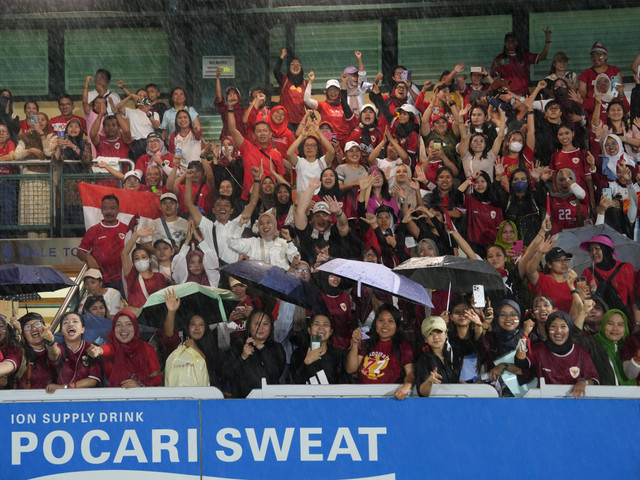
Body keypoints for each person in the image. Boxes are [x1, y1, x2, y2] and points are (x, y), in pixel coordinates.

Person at [515, 311, 599, 398]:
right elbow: (520, 362)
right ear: (547, 329)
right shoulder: (540, 349)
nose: (558, 331)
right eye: (553, 326)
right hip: (546, 402)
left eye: (563, 326)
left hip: (574, 403)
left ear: (570, 328)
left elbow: (594, 379)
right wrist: (525, 334)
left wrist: (583, 382)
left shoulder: (580, 351)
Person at [346, 304, 415, 400]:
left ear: (397, 325)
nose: (385, 325)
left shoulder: (403, 346)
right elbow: (351, 369)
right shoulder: (366, 342)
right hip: (364, 398)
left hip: (390, 398)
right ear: (375, 322)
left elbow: (410, 373)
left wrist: (407, 386)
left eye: (390, 321)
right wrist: (354, 343)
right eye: (381, 320)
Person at [162, 288, 224, 386]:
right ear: (188, 327)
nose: (197, 328)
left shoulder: (213, 347)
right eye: (193, 324)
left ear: (206, 328)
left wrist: (195, 348)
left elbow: (212, 370)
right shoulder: (180, 344)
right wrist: (171, 311)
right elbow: (168, 335)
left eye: (201, 324)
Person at [87, 310, 162, 388]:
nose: (123, 328)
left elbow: (157, 378)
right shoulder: (113, 348)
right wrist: (98, 350)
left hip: (141, 398)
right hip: (115, 397)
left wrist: (140, 385)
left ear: (135, 327)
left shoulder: (147, 348)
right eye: (118, 324)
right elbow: (107, 350)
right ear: (113, 329)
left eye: (128, 324)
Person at [225, 310, 286, 398]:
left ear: (271, 327)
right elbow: (227, 374)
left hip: (269, 400)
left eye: (265, 324)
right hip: (242, 401)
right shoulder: (238, 346)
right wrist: (242, 357)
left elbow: (276, 372)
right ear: (249, 325)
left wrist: (261, 347)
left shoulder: (277, 348)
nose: (260, 328)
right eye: (256, 323)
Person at [77, 194, 128, 292]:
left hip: (123, 280)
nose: (109, 212)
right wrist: (88, 257)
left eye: (112, 208)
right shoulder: (93, 230)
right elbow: (80, 252)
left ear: (118, 210)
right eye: (106, 208)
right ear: (101, 210)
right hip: (100, 281)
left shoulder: (126, 229)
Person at [44, 312, 101, 392]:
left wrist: (66, 387)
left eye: (75, 321)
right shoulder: (59, 348)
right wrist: (50, 343)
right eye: (66, 322)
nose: (70, 324)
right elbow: (54, 354)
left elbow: (93, 380)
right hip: (61, 398)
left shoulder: (91, 348)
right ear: (62, 332)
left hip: (87, 398)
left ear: (83, 329)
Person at [579, 235, 636, 314]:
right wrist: (592, 293)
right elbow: (581, 301)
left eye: (597, 248)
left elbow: (634, 299)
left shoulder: (626, 268)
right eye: (591, 249)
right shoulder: (588, 273)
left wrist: (637, 323)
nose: (593, 253)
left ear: (606, 249)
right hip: (598, 320)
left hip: (622, 317)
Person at [490, 30, 552, 95]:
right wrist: (495, 66)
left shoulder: (524, 56)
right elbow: (493, 75)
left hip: (523, 93)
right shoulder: (500, 58)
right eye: (508, 41)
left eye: (513, 40)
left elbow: (542, 57)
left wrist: (547, 42)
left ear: (517, 42)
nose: (511, 42)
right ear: (505, 43)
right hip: (507, 93)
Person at [290, 314, 346, 385]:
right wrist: (307, 362)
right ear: (309, 330)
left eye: (325, 324)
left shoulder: (338, 354)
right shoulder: (298, 354)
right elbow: (296, 381)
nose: (321, 328)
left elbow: (342, 384)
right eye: (316, 324)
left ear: (331, 331)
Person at [415, 316, 464, 397]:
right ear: (425, 339)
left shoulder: (457, 352)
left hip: (461, 401)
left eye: (439, 332)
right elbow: (422, 392)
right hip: (437, 404)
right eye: (430, 333)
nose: (435, 337)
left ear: (446, 334)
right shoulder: (423, 360)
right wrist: (429, 381)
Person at [121, 225, 167, 308]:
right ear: (133, 262)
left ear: (150, 259)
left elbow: (162, 299)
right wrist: (136, 235)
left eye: (144, 257)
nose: (140, 260)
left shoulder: (159, 277)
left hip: (153, 316)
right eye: (136, 258)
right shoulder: (131, 276)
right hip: (136, 317)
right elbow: (124, 254)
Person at [286, 121, 335, 194]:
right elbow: (289, 153)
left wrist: (319, 133)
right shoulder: (299, 162)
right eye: (306, 145)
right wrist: (302, 136)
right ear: (303, 148)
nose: (309, 148)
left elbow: (332, 152)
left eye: (313, 145)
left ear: (317, 148)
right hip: (302, 202)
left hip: (319, 201)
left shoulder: (323, 161)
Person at [15, 313, 55, 389]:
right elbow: (9, 364)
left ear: (44, 327)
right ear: (23, 335)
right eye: (27, 327)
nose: (33, 328)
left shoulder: (59, 349)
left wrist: (51, 342)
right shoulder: (19, 353)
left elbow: (55, 355)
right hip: (27, 399)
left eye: (37, 324)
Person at [273, 49, 307, 128]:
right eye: (293, 64)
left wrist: (312, 118)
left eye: (298, 64)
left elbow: (307, 102)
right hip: (286, 120)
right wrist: (282, 56)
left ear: (301, 68)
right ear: (289, 67)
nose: (295, 66)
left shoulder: (306, 83)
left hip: (301, 120)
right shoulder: (284, 80)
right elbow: (276, 71)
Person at [0, 314, 23, 388]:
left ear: (7, 330)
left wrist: (20, 330)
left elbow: (3, 382)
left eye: (1, 326)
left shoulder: (13, 349)